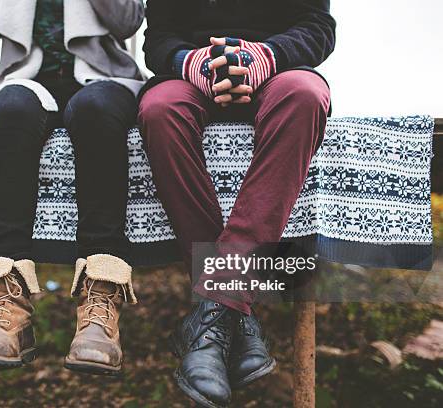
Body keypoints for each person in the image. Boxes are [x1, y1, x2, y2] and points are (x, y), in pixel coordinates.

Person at [138, 0, 335, 406]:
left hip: (278, 72)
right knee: (159, 110)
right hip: (190, 77)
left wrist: (264, 57)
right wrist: (190, 62)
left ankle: (213, 310)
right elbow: (156, 41)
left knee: (306, 94)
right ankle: (236, 316)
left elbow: (317, 26)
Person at [0, 0, 144, 378]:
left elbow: (127, 22)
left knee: (96, 110)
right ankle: (6, 309)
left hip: (103, 80)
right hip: (24, 79)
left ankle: (100, 300)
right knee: (10, 109)